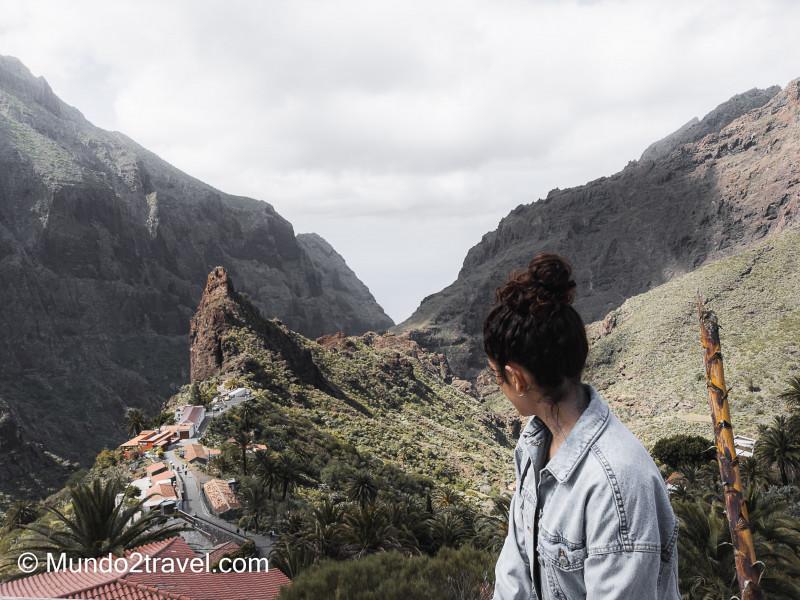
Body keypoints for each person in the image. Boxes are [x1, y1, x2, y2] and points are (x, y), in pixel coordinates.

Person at [486, 253, 680, 600]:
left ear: (516, 378)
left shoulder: (616, 483)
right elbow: (514, 573)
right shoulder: (531, 445)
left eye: (495, 375)